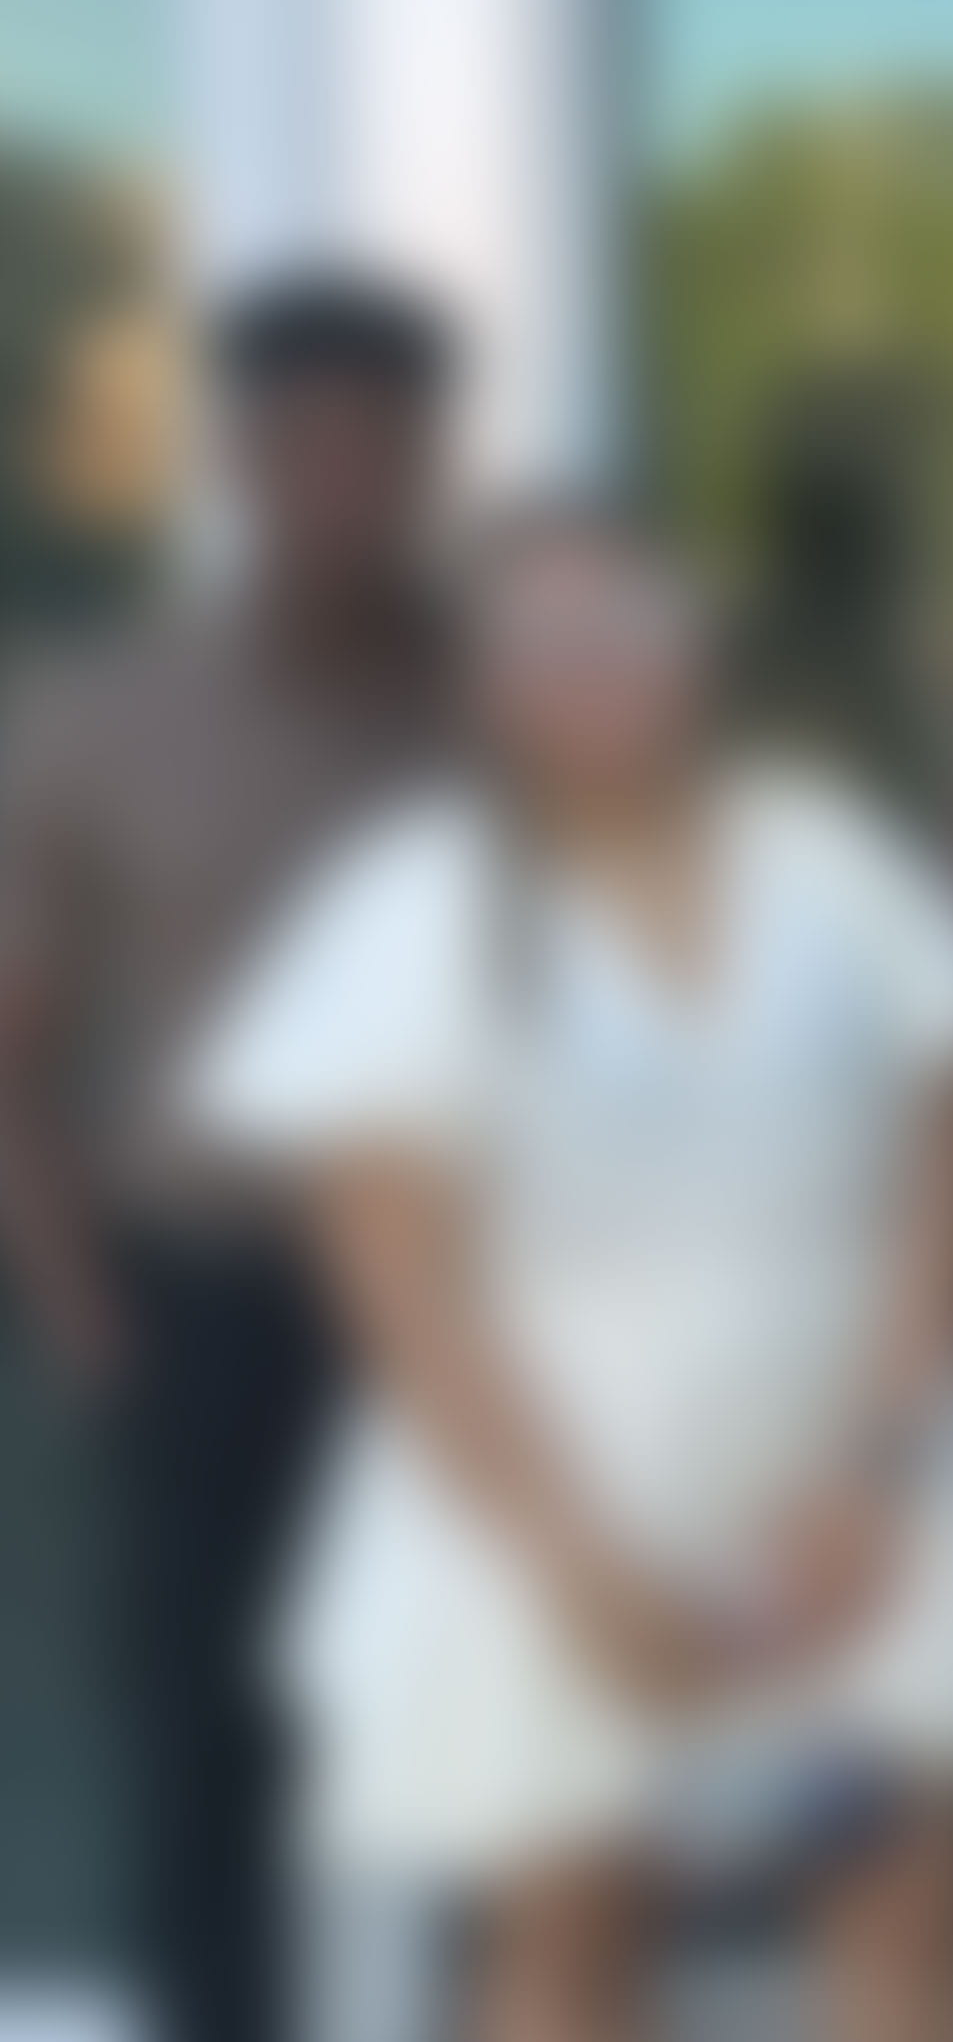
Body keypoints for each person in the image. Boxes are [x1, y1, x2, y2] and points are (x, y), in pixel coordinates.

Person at [185, 512, 953, 2042]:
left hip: (835, 1466)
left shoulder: (819, 868)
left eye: (631, 640)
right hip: (534, 1489)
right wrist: (580, 1557)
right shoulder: (403, 910)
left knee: (894, 1889)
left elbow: (934, 1165)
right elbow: (394, 1284)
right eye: (549, 652)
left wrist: (864, 1472)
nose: (599, 681)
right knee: (572, 1915)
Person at [0, 272, 452, 2042]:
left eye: (380, 450)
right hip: (207, 1291)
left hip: (472, 1290)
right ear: (245, 461)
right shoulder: (109, 717)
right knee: (211, 1731)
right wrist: (85, 1313)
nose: (344, 485)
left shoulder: (497, 703)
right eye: (306, 448)